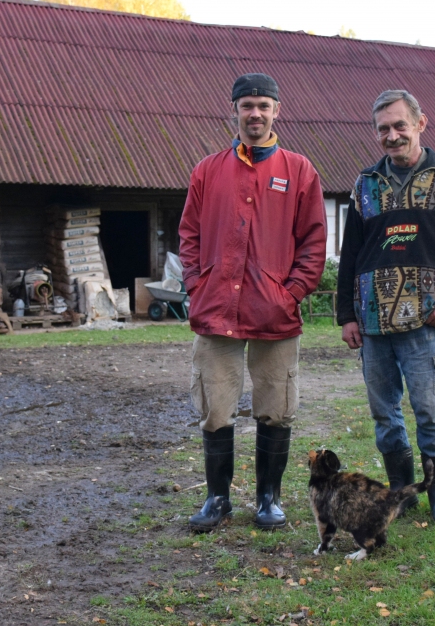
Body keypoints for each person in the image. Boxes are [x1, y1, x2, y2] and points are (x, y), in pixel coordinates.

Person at [179, 73, 327, 532]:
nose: (255, 113)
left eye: (264, 105)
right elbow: (189, 235)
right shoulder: (207, 170)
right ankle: (217, 499)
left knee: (276, 403)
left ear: (277, 110)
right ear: (235, 110)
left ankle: (268, 499)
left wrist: (292, 292)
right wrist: (196, 285)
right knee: (216, 404)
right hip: (216, 310)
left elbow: (314, 241)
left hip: (275, 312)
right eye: (247, 105)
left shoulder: (299, 171)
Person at [336, 89, 435, 526]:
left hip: (427, 321)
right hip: (374, 324)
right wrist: (347, 314)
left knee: (431, 411)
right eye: (383, 128)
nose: (392, 135)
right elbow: (350, 257)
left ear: (421, 123)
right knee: (385, 415)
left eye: (400, 125)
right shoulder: (366, 185)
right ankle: (402, 494)